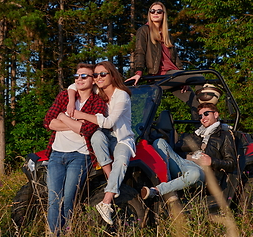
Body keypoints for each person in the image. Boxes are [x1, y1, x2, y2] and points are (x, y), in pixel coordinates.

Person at [69, 61, 136, 225]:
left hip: (121, 138)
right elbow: (73, 85)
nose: (98, 77)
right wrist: (71, 101)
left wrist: (82, 115)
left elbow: (108, 122)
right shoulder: (98, 90)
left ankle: (106, 202)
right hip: (104, 136)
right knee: (96, 137)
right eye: (96, 75)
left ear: (112, 76)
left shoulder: (122, 95)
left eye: (102, 74)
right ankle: (110, 178)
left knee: (121, 160)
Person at [43, 63, 106, 235]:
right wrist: (75, 124)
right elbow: (48, 122)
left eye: (84, 76)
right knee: (53, 199)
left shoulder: (97, 103)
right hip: (56, 154)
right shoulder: (65, 96)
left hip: (80, 156)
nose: (79, 79)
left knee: (68, 199)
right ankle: (54, 233)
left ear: (93, 80)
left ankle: (67, 232)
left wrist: (62, 117)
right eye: (77, 76)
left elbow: (87, 129)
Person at [141, 103, 237, 200]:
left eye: (206, 114)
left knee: (195, 173)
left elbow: (231, 163)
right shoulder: (197, 134)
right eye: (200, 116)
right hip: (186, 163)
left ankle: (160, 190)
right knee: (159, 142)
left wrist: (212, 161)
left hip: (205, 172)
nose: (203, 118)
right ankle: (169, 186)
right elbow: (176, 147)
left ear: (215, 115)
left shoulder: (224, 136)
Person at [125, 1, 205, 119]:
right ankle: (141, 132)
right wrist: (139, 72)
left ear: (163, 14)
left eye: (159, 11)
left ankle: (202, 124)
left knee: (194, 103)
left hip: (173, 75)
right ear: (149, 14)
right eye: (152, 11)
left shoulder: (167, 35)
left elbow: (175, 59)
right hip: (159, 75)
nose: (155, 13)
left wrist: (184, 79)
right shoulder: (144, 30)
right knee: (199, 77)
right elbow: (140, 51)